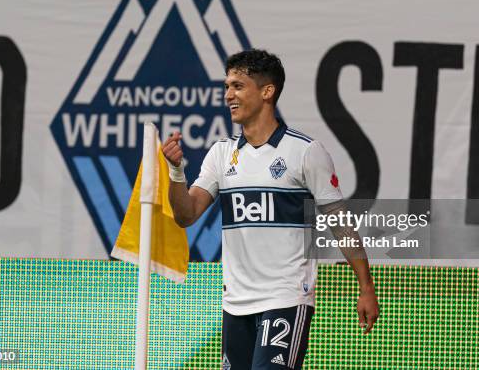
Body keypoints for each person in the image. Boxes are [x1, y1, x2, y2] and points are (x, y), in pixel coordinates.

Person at [162, 49, 379, 369]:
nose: (228, 95)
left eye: (238, 86)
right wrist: (177, 173)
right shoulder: (221, 154)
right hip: (235, 303)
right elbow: (186, 215)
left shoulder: (305, 151)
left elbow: (340, 223)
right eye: (227, 86)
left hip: (286, 298)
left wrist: (366, 287)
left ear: (267, 91)